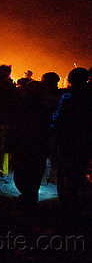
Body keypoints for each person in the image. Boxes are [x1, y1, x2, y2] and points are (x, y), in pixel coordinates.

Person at [53, 67, 92, 214]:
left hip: (69, 137)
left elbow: (59, 114)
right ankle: (77, 198)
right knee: (80, 168)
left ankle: (66, 203)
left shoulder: (69, 94)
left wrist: (54, 127)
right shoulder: (88, 92)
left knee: (65, 169)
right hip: (85, 137)